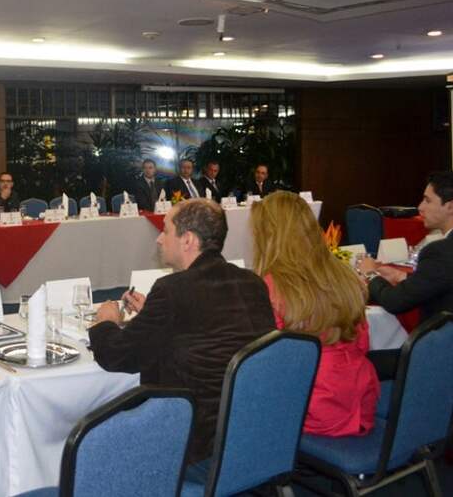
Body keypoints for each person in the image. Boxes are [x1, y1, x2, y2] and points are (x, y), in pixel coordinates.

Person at [88, 199, 274, 462]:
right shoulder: (252, 282)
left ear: (187, 240)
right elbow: (210, 328)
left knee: (94, 438)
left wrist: (105, 322)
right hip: (251, 432)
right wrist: (151, 316)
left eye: (165, 230)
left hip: (193, 440)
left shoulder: (172, 290)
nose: (159, 240)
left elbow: (119, 356)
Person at [252, 191, 379, 436]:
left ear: (269, 236)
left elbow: (271, 368)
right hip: (361, 399)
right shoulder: (344, 274)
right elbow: (363, 342)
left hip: (312, 409)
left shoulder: (271, 287)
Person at [359, 171, 453, 323]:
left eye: (427, 201)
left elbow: (395, 302)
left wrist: (370, 274)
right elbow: (441, 281)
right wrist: (400, 276)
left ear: (450, 206)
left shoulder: (440, 251)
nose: (420, 207)